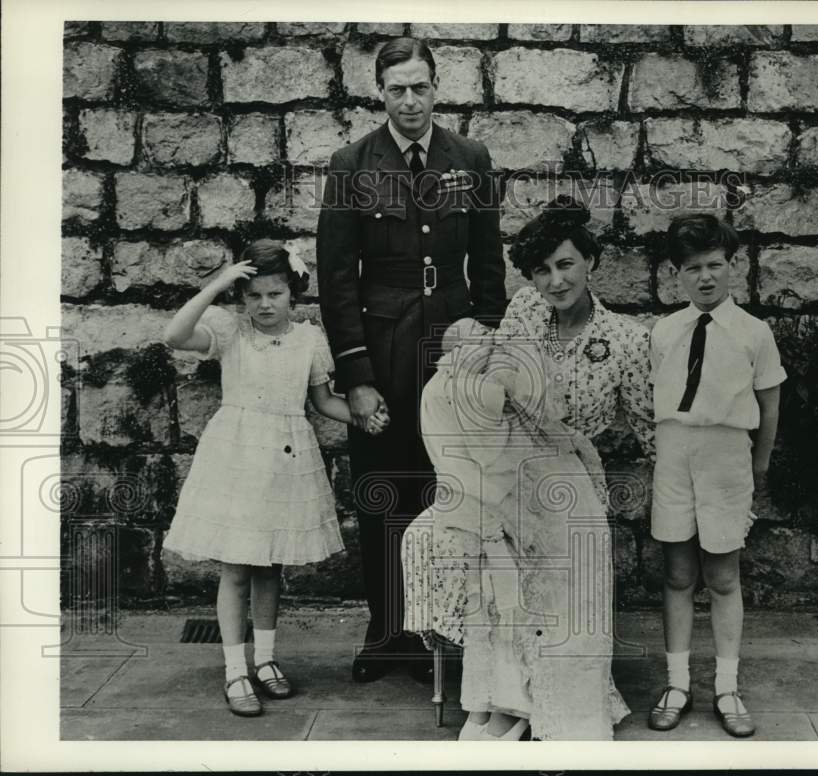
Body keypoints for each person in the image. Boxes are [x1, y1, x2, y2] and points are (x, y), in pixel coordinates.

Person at [404, 196, 655, 740]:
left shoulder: (627, 340)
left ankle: (555, 706)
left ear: (590, 261)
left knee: (558, 566)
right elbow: (485, 387)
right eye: (542, 270)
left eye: (566, 264)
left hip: (568, 478)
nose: (555, 281)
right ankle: (503, 698)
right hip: (507, 468)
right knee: (495, 569)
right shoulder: (522, 311)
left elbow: (648, 425)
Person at [316, 36, 505, 684]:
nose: (409, 100)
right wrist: (357, 378)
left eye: (419, 87)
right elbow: (336, 279)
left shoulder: (471, 160)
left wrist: (487, 350)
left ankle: (434, 633)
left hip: (451, 349)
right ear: (381, 92)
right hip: (385, 345)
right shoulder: (351, 164)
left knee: (444, 485)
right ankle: (385, 630)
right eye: (396, 89)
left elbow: (487, 267)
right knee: (381, 487)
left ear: (436, 87)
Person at [161, 240, 378, 717]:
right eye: (254, 295)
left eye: (274, 294)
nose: (264, 305)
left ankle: (265, 659)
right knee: (236, 566)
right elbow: (175, 336)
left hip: (286, 455)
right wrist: (216, 284)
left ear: (292, 295)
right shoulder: (230, 331)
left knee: (270, 566)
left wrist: (366, 418)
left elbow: (323, 402)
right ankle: (234, 668)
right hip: (237, 454)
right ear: (241, 298)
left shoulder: (309, 339)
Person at [646, 214, 784, 738]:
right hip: (675, 455)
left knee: (723, 576)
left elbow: (769, 406)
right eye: (692, 269)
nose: (705, 277)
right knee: (678, 573)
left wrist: (761, 464)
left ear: (733, 267)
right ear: (675, 275)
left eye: (714, 265)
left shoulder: (754, 333)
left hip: (728, 456)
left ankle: (727, 687)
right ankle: (677, 683)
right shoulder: (664, 330)